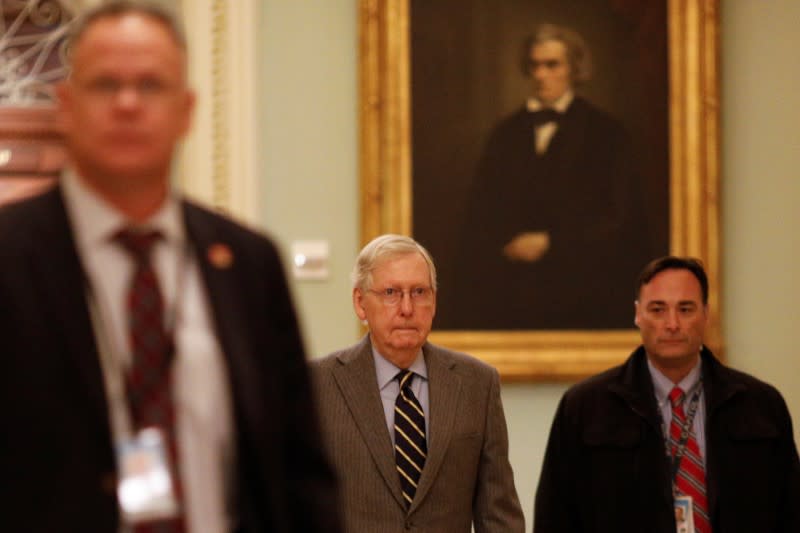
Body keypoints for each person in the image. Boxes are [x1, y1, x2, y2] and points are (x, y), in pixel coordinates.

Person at [0, 2, 340, 532]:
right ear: (65, 105)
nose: (129, 103)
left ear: (186, 110)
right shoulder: (10, 255)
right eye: (105, 84)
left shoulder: (248, 264)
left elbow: (300, 473)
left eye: (151, 85)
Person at [533, 256, 800, 532]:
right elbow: (554, 518)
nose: (672, 324)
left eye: (685, 309)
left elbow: (791, 514)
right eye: (658, 310)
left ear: (706, 314)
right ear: (638, 314)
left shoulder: (760, 406)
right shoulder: (585, 408)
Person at [312, 234, 525, 532]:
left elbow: (499, 514)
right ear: (360, 303)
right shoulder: (317, 386)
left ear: (434, 301)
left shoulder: (477, 383)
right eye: (390, 292)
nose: (407, 308)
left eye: (419, 292)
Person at [448, 23, 653, 330]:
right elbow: (479, 215)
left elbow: (621, 219)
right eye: (534, 66)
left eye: (552, 65)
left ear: (575, 69)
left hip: (582, 292)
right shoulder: (504, 134)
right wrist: (504, 246)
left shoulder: (606, 133)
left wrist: (551, 243)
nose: (541, 75)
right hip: (511, 295)